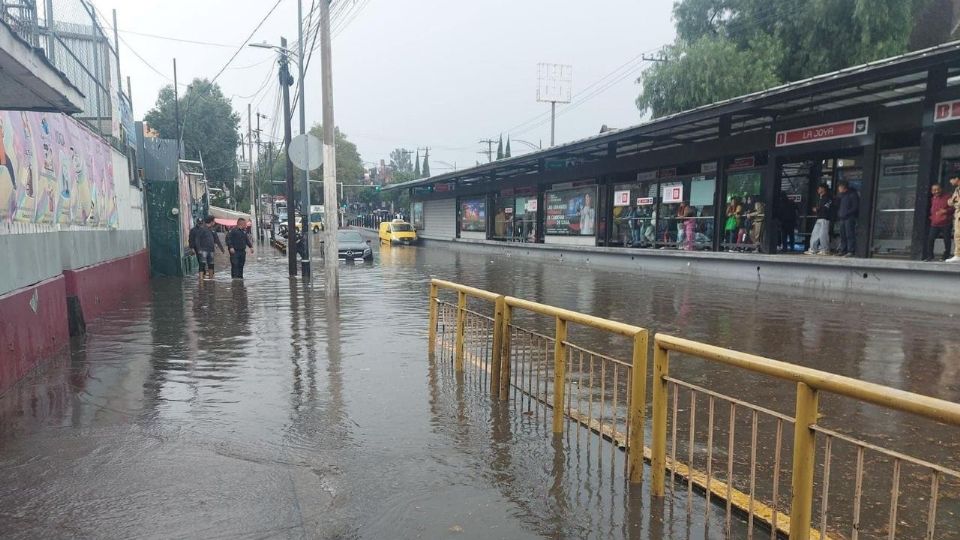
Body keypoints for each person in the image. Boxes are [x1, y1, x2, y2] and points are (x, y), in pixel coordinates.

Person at [923, 183, 954, 261]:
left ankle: (946, 255)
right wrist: (932, 217)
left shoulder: (948, 197)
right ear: (931, 191)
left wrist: (946, 211)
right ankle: (930, 256)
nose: (936, 191)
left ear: (941, 189)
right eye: (934, 190)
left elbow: (954, 208)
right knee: (930, 239)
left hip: (946, 222)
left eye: (937, 189)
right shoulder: (933, 198)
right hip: (935, 223)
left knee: (946, 240)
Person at [195, 215, 225, 280]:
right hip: (203, 250)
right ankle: (201, 279)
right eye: (214, 221)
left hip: (211, 250)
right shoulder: (202, 229)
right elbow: (197, 239)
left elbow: (217, 240)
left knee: (211, 264)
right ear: (211, 221)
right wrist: (199, 249)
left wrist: (222, 249)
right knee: (202, 264)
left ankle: (211, 279)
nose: (214, 222)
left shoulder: (212, 230)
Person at [805, 183, 832, 255]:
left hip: (825, 218)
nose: (818, 190)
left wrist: (817, 209)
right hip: (819, 217)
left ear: (823, 189)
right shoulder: (820, 198)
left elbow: (826, 208)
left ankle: (825, 250)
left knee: (823, 234)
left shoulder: (828, 198)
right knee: (815, 234)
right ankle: (813, 249)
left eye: (819, 188)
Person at [836, 182, 859, 257]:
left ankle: (851, 251)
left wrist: (847, 213)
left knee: (850, 234)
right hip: (842, 218)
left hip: (849, 218)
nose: (838, 189)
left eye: (839, 187)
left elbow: (855, 207)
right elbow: (838, 205)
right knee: (843, 235)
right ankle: (843, 250)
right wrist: (839, 213)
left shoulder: (852, 194)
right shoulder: (841, 196)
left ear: (843, 187)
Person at [949, 175, 960, 263]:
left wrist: (952, 201)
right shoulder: (957, 189)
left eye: (952, 180)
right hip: (957, 213)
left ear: (956, 179)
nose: (951, 182)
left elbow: (952, 202)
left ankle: (958, 255)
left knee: (958, 234)